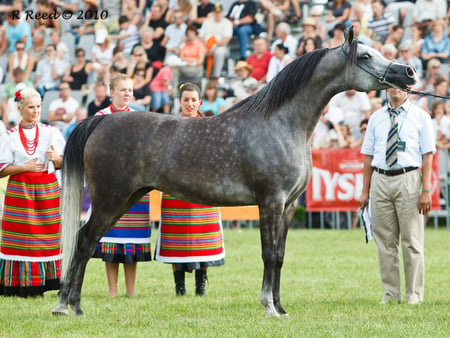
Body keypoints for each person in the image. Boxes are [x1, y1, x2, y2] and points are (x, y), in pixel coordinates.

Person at [359, 87, 436, 305]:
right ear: (386, 88)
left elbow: (427, 155)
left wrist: (426, 190)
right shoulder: (376, 117)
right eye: (391, 84)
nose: (395, 88)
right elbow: (368, 156)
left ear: (409, 89)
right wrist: (365, 191)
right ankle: (391, 294)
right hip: (380, 178)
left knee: (412, 240)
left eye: (400, 85)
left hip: (409, 177)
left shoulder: (421, 117)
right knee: (385, 242)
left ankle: (414, 294)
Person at [155, 82, 225, 296]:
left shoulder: (209, 126)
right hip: (175, 189)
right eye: (186, 100)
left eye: (194, 100)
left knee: (202, 237)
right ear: (180, 102)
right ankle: (180, 287)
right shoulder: (169, 126)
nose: (190, 104)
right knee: (177, 238)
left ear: (200, 102)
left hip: (203, 189)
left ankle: (201, 286)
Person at [0, 88, 65, 297]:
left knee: (46, 237)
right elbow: (1, 169)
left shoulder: (51, 132)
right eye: (31, 107)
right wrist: (23, 167)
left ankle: (45, 284)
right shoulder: (9, 136)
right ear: (20, 109)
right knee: (20, 238)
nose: (36, 110)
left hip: (47, 192)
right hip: (20, 192)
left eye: (38, 106)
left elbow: (65, 162)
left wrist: (55, 158)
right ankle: (15, 285)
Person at [93, 74, 152, 297]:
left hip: (136, 186)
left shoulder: (139, 117)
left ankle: (131, 289)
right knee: (110, 237)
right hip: (109, 186)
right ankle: (111, 289)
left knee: (132, 240)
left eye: (130, 90)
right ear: (112, 92)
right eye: (123, 90)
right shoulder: (100, 117)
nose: (127, 94)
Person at [198, 3, 233, 78]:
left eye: (219, 12)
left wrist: (213, 46)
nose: (218, 14)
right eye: (216, 12)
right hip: (205, 46)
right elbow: (201, 37)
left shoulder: (227, 23)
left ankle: (216, 76)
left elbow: (226, 39)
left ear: (222, 12)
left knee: (219, 52)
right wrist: (203, 48)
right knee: (198, 50)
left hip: (219, 46)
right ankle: (199, 76)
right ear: (213, 13)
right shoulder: (207, 22)